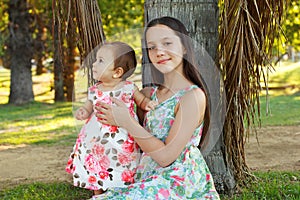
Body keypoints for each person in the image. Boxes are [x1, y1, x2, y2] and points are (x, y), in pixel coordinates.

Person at [92, 16, 220, 199]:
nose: (159, 52)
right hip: (146, 175)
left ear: (184, 47)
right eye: (152, 47)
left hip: (178, 181)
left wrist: (127, 122)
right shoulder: (147, 94)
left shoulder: (192, 97)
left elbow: (166, 157)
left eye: (167, 43)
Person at [65, 41, 157, 196]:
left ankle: (121, 188)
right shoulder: (94, 90)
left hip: (121, 136)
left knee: (122, 161)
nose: (94, 64)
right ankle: (98, 192)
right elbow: (89, 106)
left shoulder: (128, 88)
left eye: (100, 61)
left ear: (117, 72)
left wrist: (147, 103)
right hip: (95, 138)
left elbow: (140, 100)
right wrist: (83, 112)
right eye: (96, 60)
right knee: (95, 161)